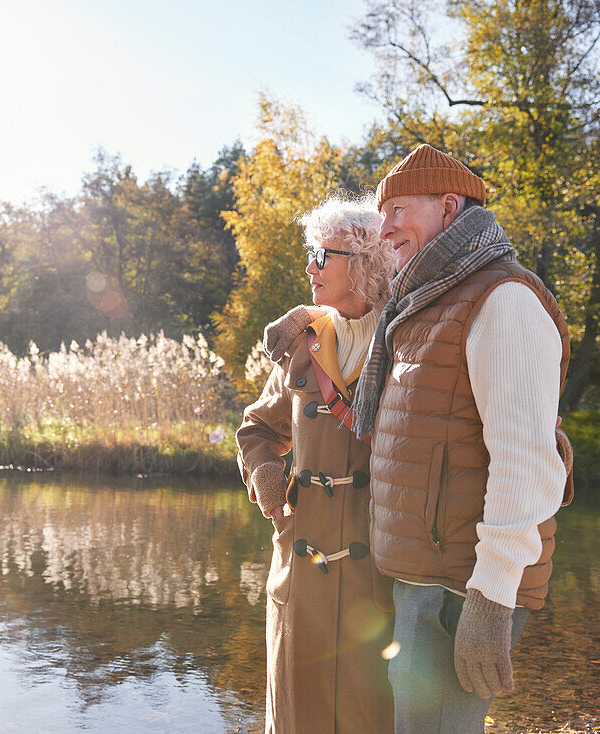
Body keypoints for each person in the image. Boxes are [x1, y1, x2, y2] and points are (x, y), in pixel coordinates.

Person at [348, 144, 575, 733]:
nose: (385, 227)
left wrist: (492, 597)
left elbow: (527, 463)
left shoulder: (503, 298)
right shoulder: (424, 302)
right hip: (428, 576)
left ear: (449, 207)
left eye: (398, 209)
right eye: (381, 213)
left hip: (465, 587)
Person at [236, 193, 396, 734]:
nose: (310, 267)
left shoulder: (407, 340)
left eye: (323, 256)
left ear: (366, 261)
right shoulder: (305, 344)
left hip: (375, 583)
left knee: (370, 718)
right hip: (299, 575)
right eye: (312, 254)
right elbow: (258, 427)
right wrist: (264, 471)